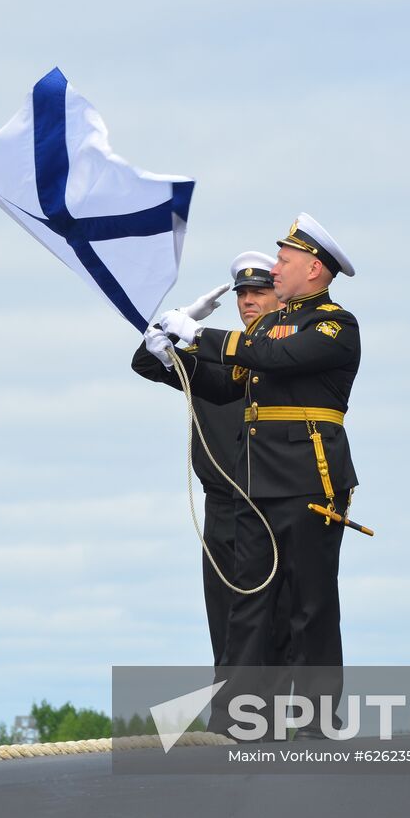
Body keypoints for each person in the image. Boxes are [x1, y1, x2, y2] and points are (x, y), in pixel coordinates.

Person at [153, 213, 360, 736]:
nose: (276, 268)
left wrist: (202, 336)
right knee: (248, 604)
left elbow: (276, 356)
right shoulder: (266, 327)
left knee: (310, 603)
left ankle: (314, 720)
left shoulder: (335, 325)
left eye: (285, 261)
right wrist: (172, 349)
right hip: (257, 484)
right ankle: (239, 719)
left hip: (309, 481)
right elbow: (226, 386)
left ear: (314, 269)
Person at [130, 252, 285, 666]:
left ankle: (303, 723)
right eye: (243, 294)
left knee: (285, 625)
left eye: (260, 291)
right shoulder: (218, 353)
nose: (249, 300)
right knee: (228, 626)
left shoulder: (290, 354)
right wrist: (172, 321)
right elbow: (146, 361)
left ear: (281, 298)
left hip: (275, 506)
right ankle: (238, 725)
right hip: (222, 510)